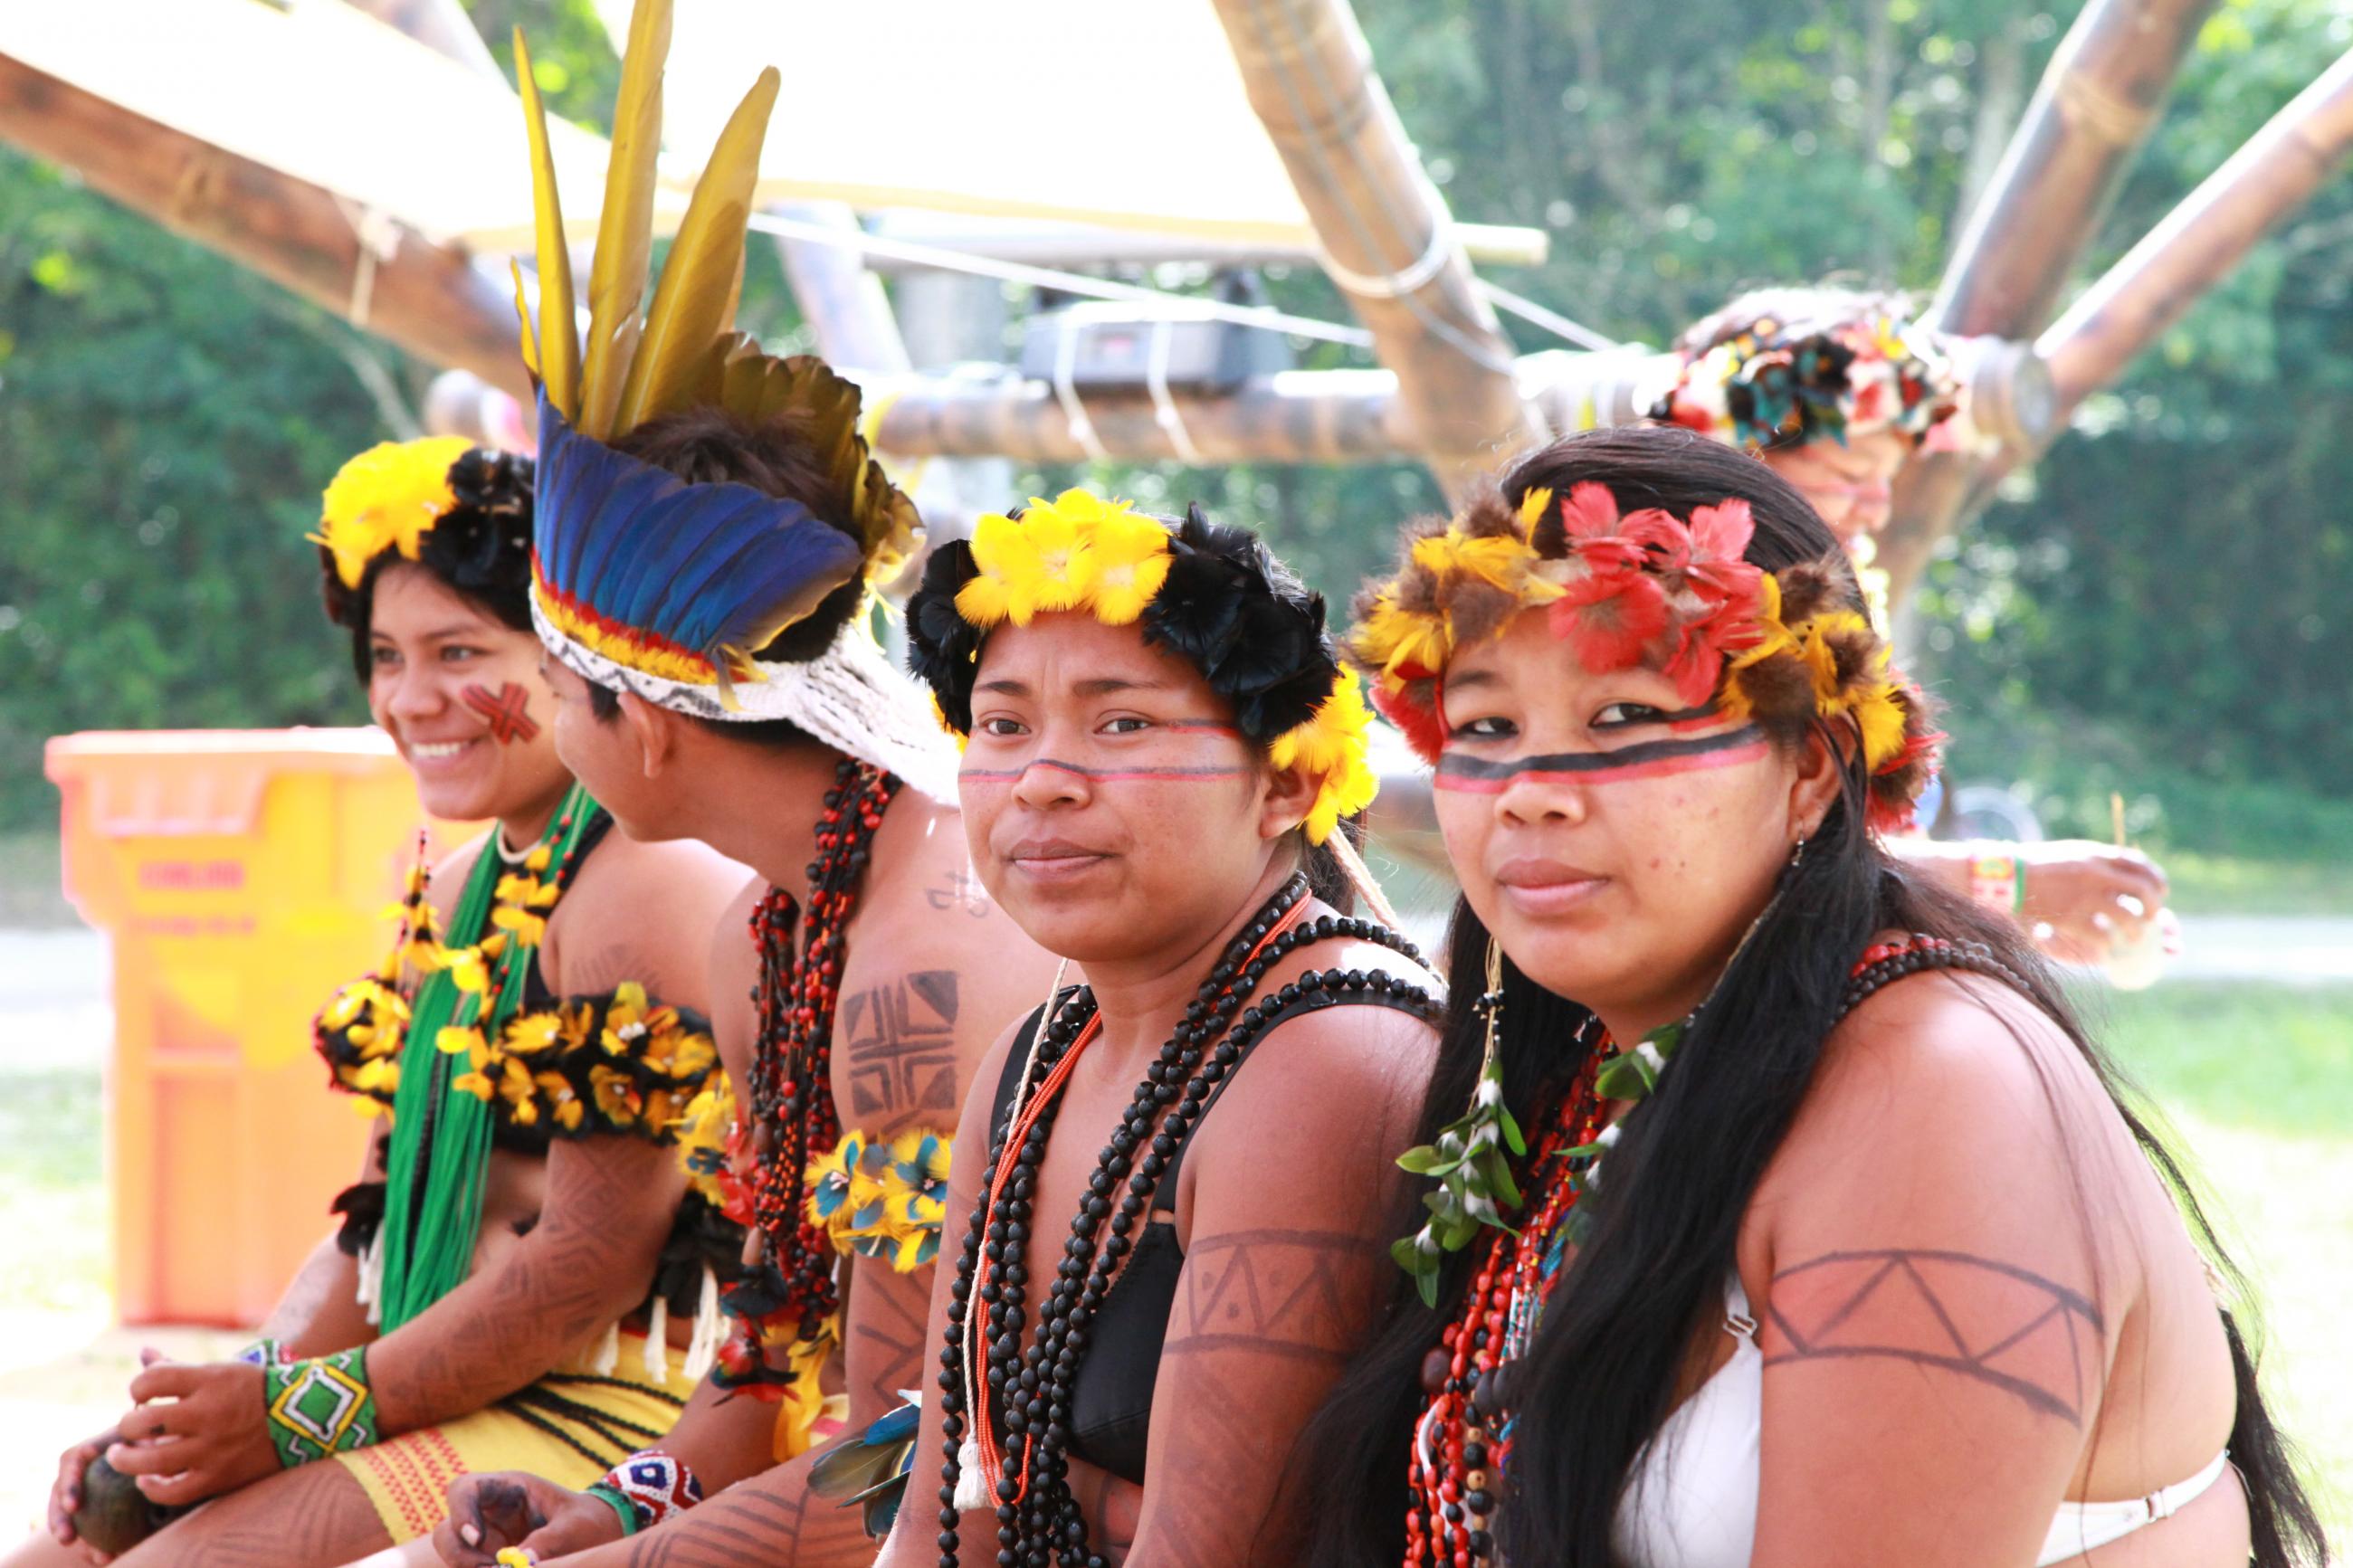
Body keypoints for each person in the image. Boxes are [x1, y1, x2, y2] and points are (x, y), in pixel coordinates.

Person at [1300, 424, 2325, 1567]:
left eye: (1624, 716)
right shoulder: (1582, 1070)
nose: (1530, 793)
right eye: (1487, 726)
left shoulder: (1934, 1092)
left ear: (1806, 767)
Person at [420, 13, 1058, 1566]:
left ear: (645, 724)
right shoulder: (764, 936)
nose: (539, 726)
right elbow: (771, 1368)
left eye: (555, 690)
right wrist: (612, 1507)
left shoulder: (926, 942)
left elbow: (913, 1450)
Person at [19, 438, 750, 1568]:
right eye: (386, 655)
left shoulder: (641, 884)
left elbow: (585, 1275)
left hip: (612, 1418)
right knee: (70, 1544)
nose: (413, 699)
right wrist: (207, 1413)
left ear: (574, 657)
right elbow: (377, 1224)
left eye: (459, 650)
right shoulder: (461, 891)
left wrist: (291, 1415)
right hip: (435, 1385)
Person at [857, 489, 1443, 1568]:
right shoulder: (1035, 1059)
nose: (1040, 779)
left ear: (1287, 781)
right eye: (1001, 724)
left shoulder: (1328, 1056)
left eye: (1119, 722)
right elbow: (948, 1516)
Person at [1655, 287, 2173, 968]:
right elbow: (1764, 868)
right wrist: (2015, 885)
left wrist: (2014, 922)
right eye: (1851, 475)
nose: (1876, 508)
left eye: (1888, 479)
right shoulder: (1677, 620)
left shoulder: (1818, 613)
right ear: (1742, 459)